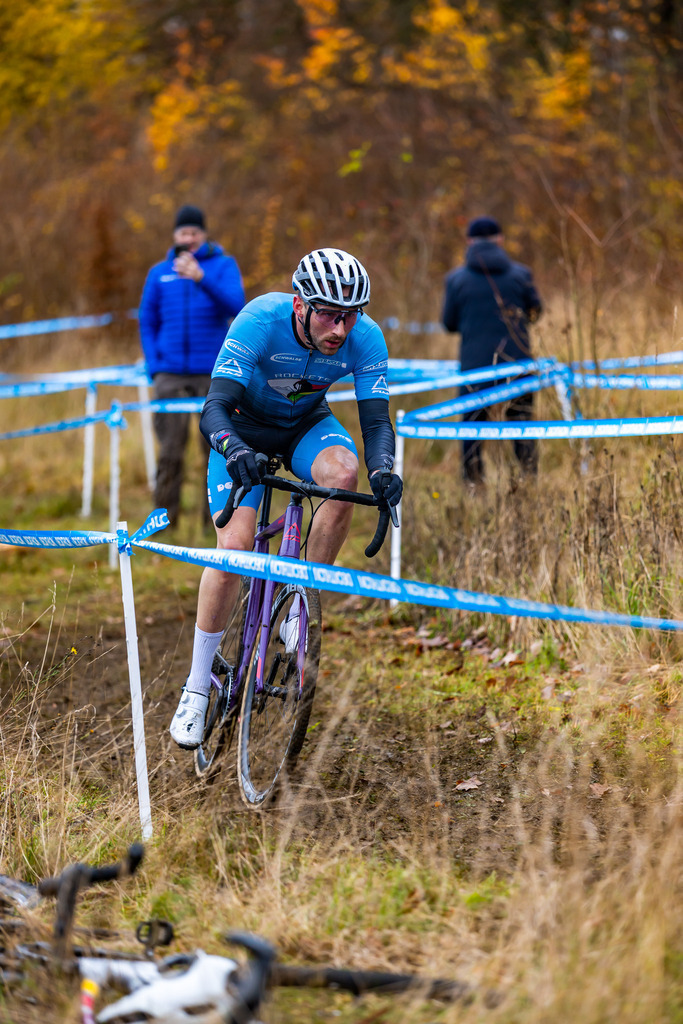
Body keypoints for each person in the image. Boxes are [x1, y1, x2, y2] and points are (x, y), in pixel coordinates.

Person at [169, 247, 403, 749]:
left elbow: (377, 422)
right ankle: (196, 684)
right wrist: (232, 449)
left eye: (349, 315)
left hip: (304, 427)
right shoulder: (259, 319)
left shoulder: (367, 339)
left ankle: (299, 601)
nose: (339, 328)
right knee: (234, 549)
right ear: (300, 305)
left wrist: (384, 471)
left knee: (344, 474)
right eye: (328, 314)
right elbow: (214, 408)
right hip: (242, 431)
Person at [138, 204, 245, 527]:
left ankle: (212, 522)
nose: (189, 238)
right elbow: (147, 319)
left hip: (211, 371)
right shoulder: (159, 272)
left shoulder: (223, 266)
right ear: (175, 236)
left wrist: (202, 279)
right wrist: (155, 365)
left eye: (194, 233)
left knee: (213, 451)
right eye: (183, 233)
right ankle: (163, 522)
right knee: (170, 451)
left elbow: (236, 307)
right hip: (169, 372)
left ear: (204, 234)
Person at [441, 216, 543, 485]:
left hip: (474, 368)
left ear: (469, 241)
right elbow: (535, 311)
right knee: (522, 425)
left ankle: (473, 485)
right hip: (518, 365)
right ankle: (529, 482)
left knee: (472, 431)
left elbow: (449, 323)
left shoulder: (456, 279)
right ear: (500, 240)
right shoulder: (521, 275)